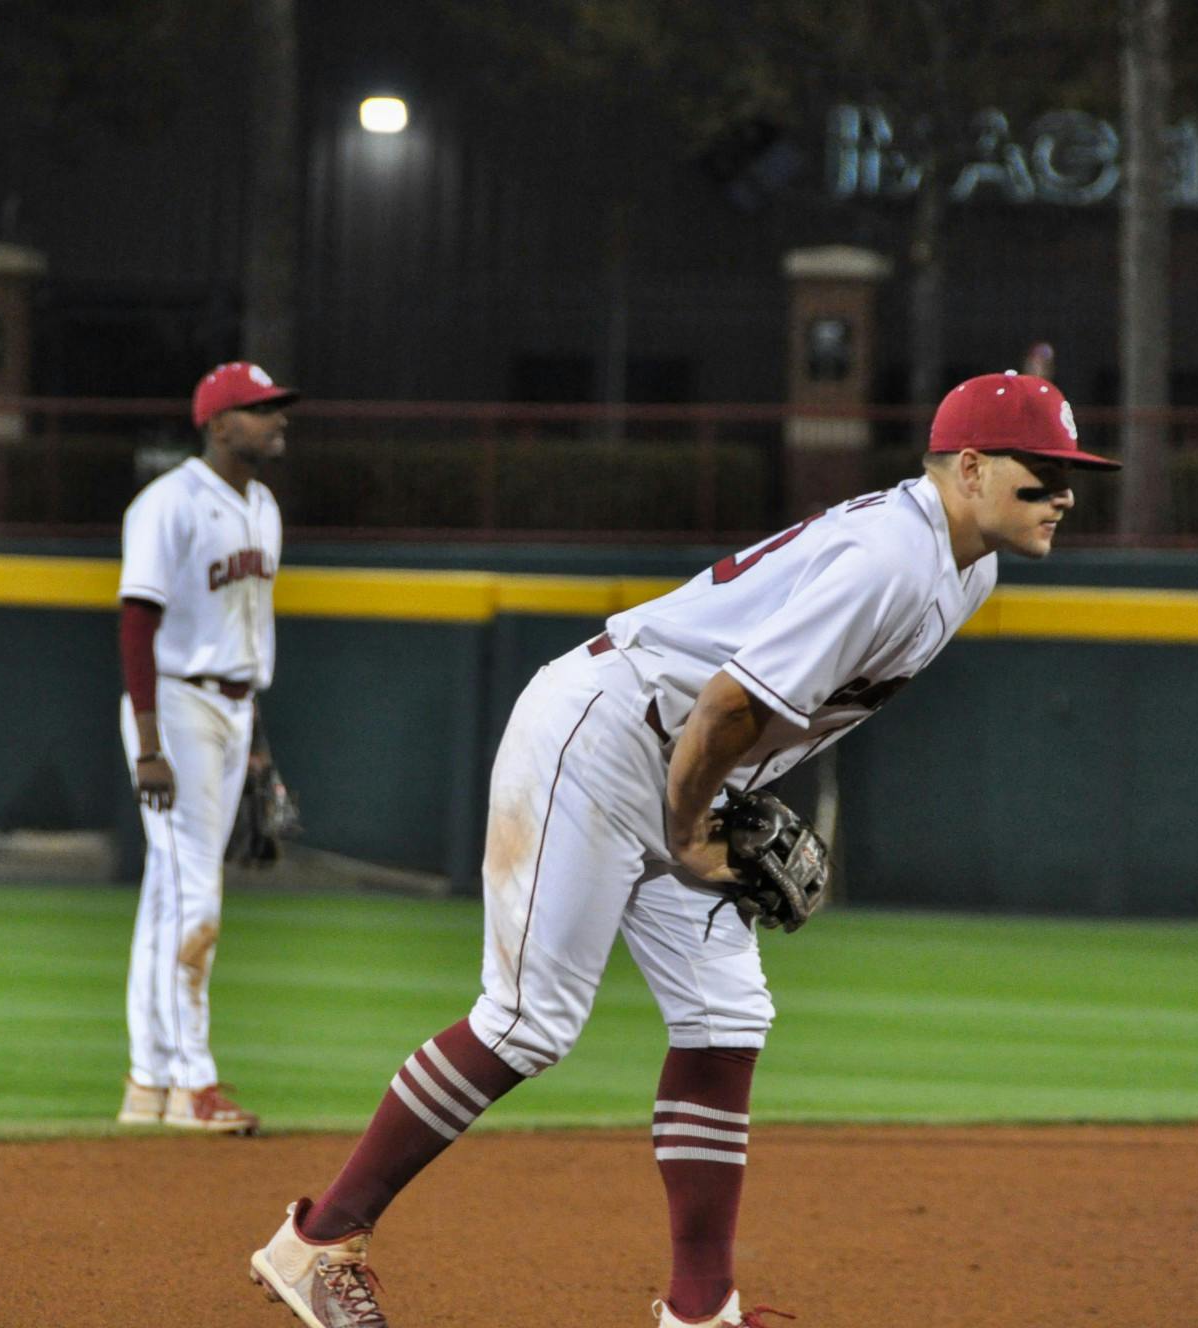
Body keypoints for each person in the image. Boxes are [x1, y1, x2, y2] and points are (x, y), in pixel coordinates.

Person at [246, 371, 1120, 1328]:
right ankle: (320, 1238)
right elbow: (729, 704)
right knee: (529, 1020)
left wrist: (714, 810)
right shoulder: (894, 562)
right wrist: (690, 834)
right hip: (606, 738)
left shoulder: (967, 568)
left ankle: (702, 1309)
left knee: (726, 1016)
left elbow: (765, 714)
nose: (1065, 494)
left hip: (686, 766)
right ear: (969, 466)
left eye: (1069, 473)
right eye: (1042, 474)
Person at [115, 360, 296, 1134]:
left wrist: (255, 746)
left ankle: (147, 1082)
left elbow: (247, 638)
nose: (277, 420)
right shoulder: (168, 504)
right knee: (197, 895)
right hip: (176, 705)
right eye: (261, 410)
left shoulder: (263, 506)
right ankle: (196, 1083)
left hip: (233, 711)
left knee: (168, 894)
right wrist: (150, 745)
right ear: (219, 425)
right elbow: (135, 622)